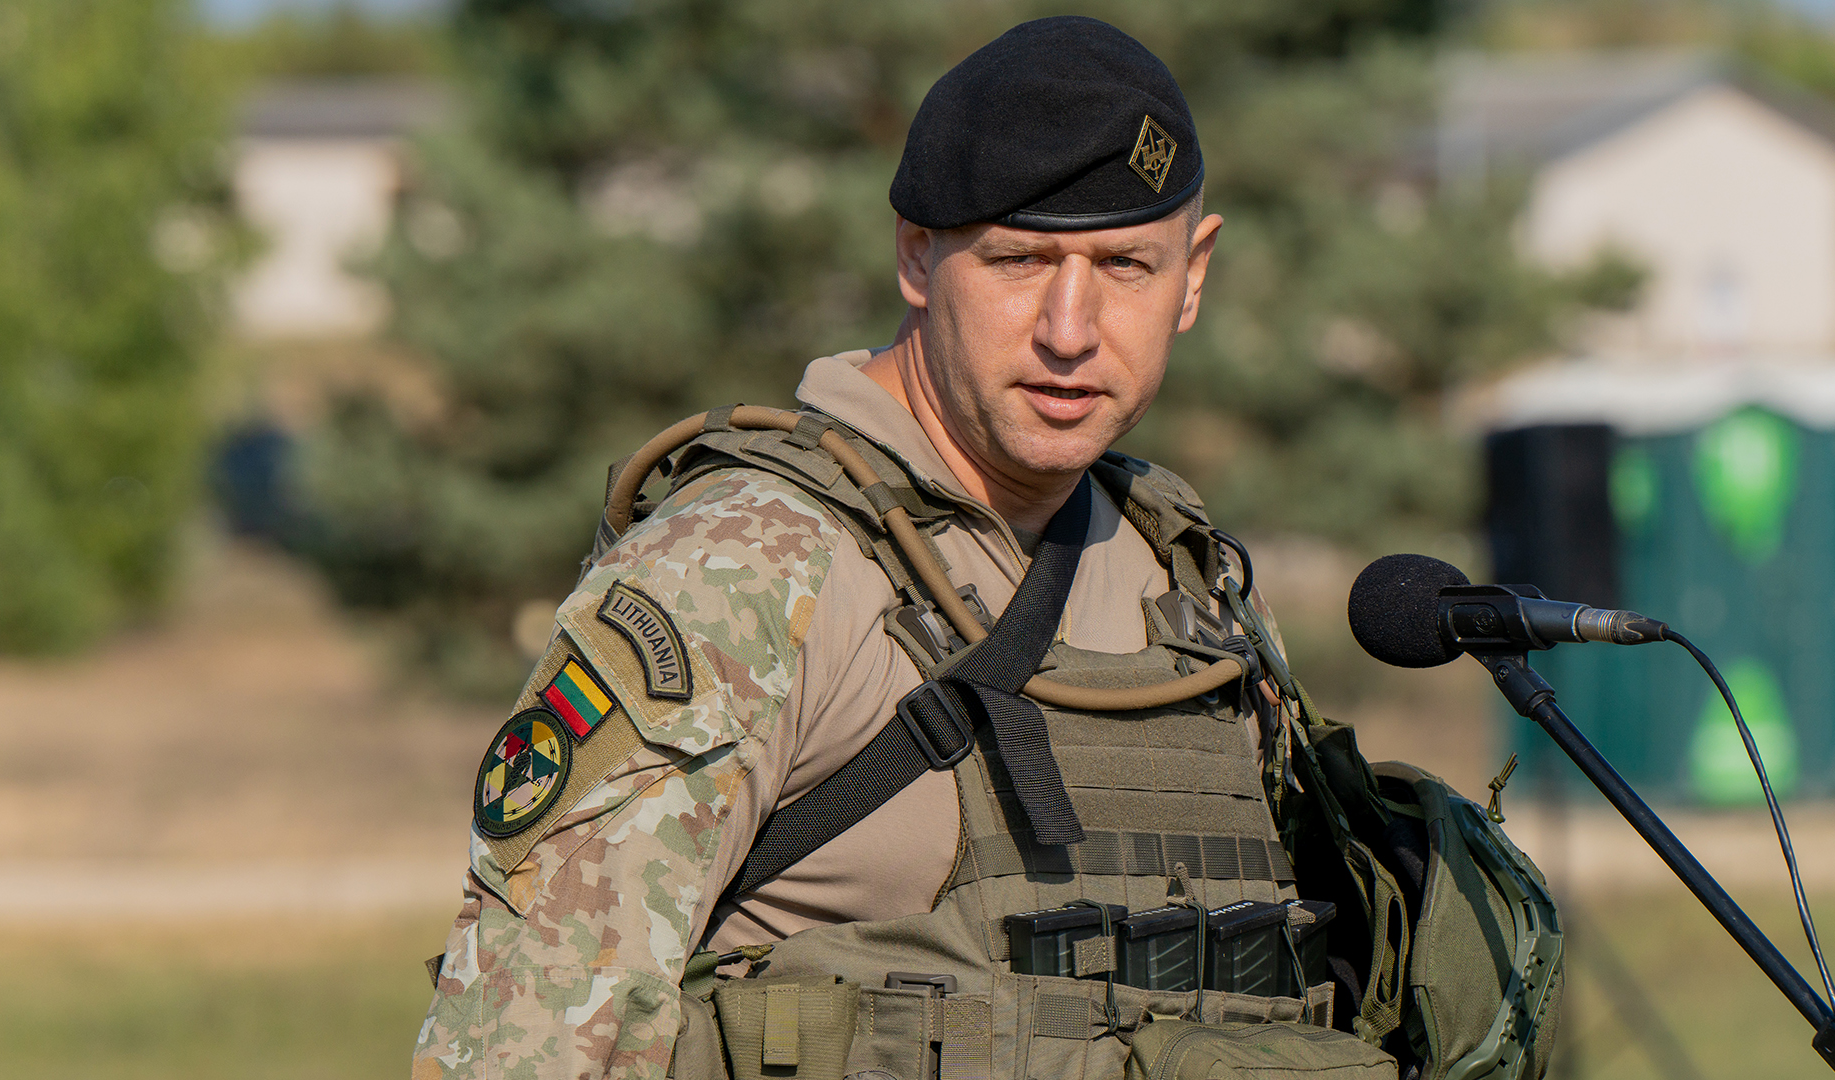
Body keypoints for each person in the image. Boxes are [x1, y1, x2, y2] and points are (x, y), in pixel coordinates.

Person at [414, 16, 1354, 1080]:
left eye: (1127, 265)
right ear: (916, 255)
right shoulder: (745, 571)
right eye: (1019, 261)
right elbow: (525, 1049)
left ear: (1194, 274)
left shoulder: (1191, 580)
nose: (1071, 327)